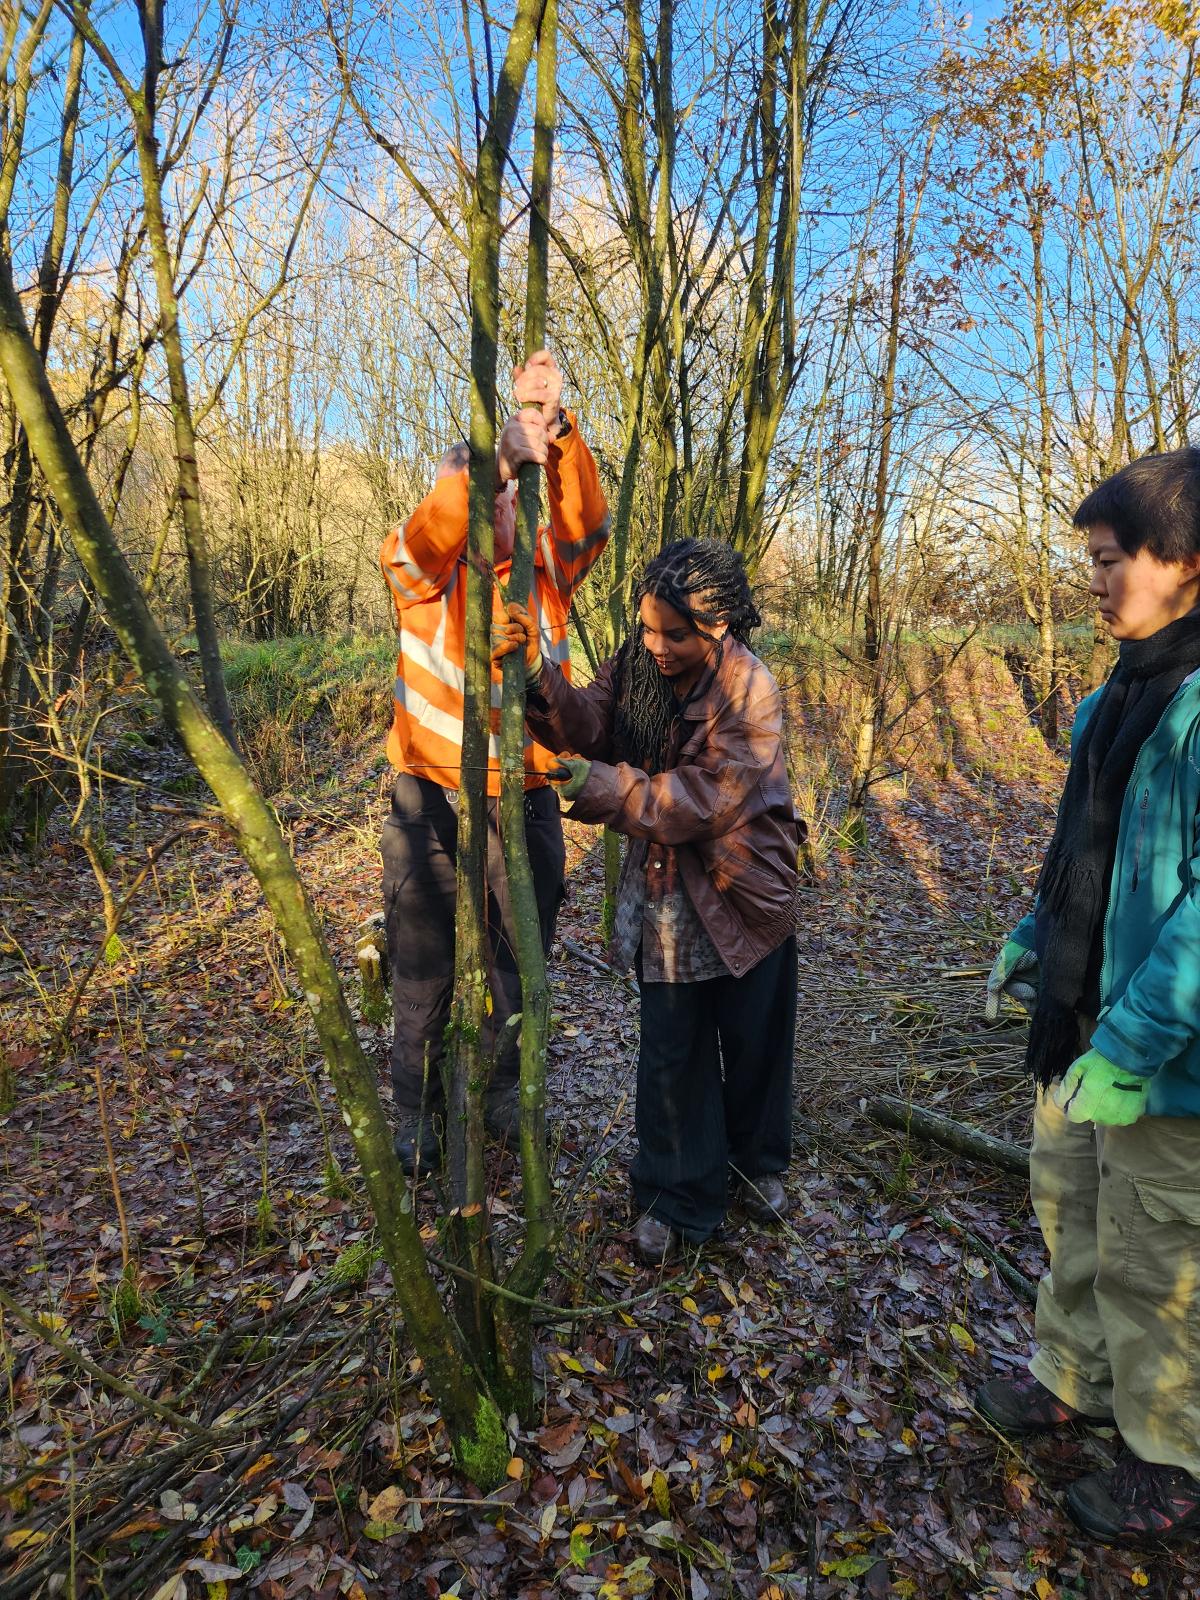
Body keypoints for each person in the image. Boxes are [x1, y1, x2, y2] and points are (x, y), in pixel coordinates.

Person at [979, 447, 1200, 1543]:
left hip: (1164, 1062)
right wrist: (1034, 934)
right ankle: (1074, 1381)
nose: (1097, 582)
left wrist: (1136, 1039)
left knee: (1157, 1250)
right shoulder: (1121, 689)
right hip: (1078, 1026)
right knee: (1068, 1204)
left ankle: (1171, 1457)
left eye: (1116, 562)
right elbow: (1085, 851)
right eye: (1094, 562)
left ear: (1190, 562)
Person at [493, 538, 802, 1264]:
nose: (655, 646)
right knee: (672, 1050)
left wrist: (600, 787)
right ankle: (675, 1196)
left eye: (673, 633)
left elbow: (704, 797)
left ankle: (758, 1167)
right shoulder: (638, 665)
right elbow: (589, 722)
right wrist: (536, 672)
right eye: (646, 628)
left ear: (717, 627)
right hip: (667, 890)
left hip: (747, 891)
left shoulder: (749, 688)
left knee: (754, 1042)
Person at [379, 350, 609, 1172]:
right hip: (429, 801)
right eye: (493, 495)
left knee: (522, 957)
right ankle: (417, 1114)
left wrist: (553, 424)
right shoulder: (422, 573)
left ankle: (507, 1092)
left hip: (526, 796)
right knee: (422, 966)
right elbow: (412, 542)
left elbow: (587, 524)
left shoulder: (546, 576)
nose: (505, 509)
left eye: (514, 497)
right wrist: (489, 461)